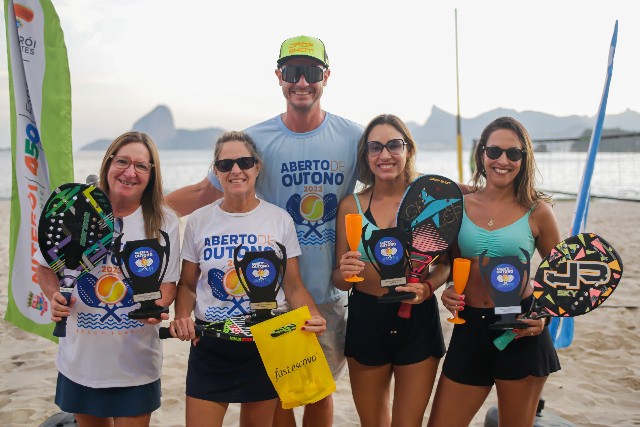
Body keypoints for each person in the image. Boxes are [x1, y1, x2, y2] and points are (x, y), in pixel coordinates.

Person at [166, 35, 363, 426]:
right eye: (292, 71)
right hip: (266, 299)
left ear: (326, 76)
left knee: (318, 392)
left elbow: (399, 184)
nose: (301, 82)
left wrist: (472, 194)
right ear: (279, 76)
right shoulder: (255, 139)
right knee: (278, 403)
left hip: (320, 292)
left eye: (310, 71)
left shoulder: (353, 137)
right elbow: (207, 192)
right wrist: (139, 210)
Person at [168, 131, 326, 426]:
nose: (236, 170)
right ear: (216, 171)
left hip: (265, 345)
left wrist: (313, 316)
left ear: (257, 167)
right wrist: (182, 316)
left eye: (244, 161)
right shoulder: (199, 221)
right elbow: (188, 285)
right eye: (226, 164)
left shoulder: (279, 219)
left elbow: (292, 285)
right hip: (210, 344)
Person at [36, 131, 181, 426]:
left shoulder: (164, 221)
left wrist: (157, 304)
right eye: (123, 161)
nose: (130, 172)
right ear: (108, 163)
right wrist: (54, 295)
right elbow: (45, 268)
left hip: (137, 362)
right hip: (82, 362)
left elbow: (168, 284)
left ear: (152, 174)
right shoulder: (76, 209)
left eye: (141, 166)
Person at [427, 117, 561, 427]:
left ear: (524, 160)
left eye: (513, 154)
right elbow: (450, 264)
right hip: (470, 327)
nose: (503, 160)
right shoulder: (458, 206)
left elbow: (559, 277)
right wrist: (448, 290)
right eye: (494, 151)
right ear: (481, 154)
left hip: (519, 330)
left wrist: (542, 316)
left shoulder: (538, 210)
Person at [331, 114, 448, 426]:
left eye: (394, 145)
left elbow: (447, 263)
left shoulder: (430, 200)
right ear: (366, 156)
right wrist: (345, 271)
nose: (385, 155)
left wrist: (428, 288)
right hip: (366, 318)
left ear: (408, 149)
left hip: (417, 319)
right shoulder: (350, 206)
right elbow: (340, 282)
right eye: (375, 147)